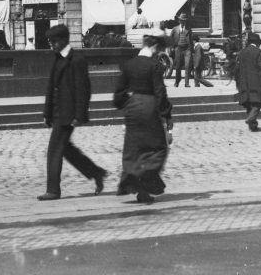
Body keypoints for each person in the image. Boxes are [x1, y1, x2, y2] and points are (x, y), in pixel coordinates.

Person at [38, 24, 107, 201]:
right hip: (57, 112)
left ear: (62, 40)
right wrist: (47, 113)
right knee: (66, 149)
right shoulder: (58, 57)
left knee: (54, 150)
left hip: (68, 114)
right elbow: (51, 87)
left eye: (53, 42)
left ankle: (53, 190)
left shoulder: (76, 59)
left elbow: (83, 89)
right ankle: (96, 172)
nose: (51, 45)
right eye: (50, 42)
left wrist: (79, 115)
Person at [113, 28, 174, 204]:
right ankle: (145, 175)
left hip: (132, 108)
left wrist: (129, 103)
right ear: (155, 45)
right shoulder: (155, 66)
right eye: (160, 48)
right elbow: (160, 93)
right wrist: (167, 115)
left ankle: (141, 192)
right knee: (158, 147)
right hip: (149, 106)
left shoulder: (129, 64)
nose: (160, 51)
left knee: (134, 149)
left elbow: (118, 96)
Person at [234, 32, 261, 132]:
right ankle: (250, 119)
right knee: (257, 103)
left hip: (244, 82)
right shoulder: (258, 52)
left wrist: (238, 81)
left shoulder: (242, 52)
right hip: (256, 82)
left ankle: (253, 127)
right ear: (257, 43)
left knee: (249, 103)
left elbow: (237, 69)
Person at [169, 15, 195, 88]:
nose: (183, 22)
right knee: (178, 66)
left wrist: (192, 50)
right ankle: (177, 81)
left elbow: (191, 40)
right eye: (181, 20)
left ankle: (186, 83)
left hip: (187, 49)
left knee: (187, 66)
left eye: (184, 21)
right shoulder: (175, 29)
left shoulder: (188, 29)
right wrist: (172, 48)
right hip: (178, 49)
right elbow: (170, 39)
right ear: (179, 21)